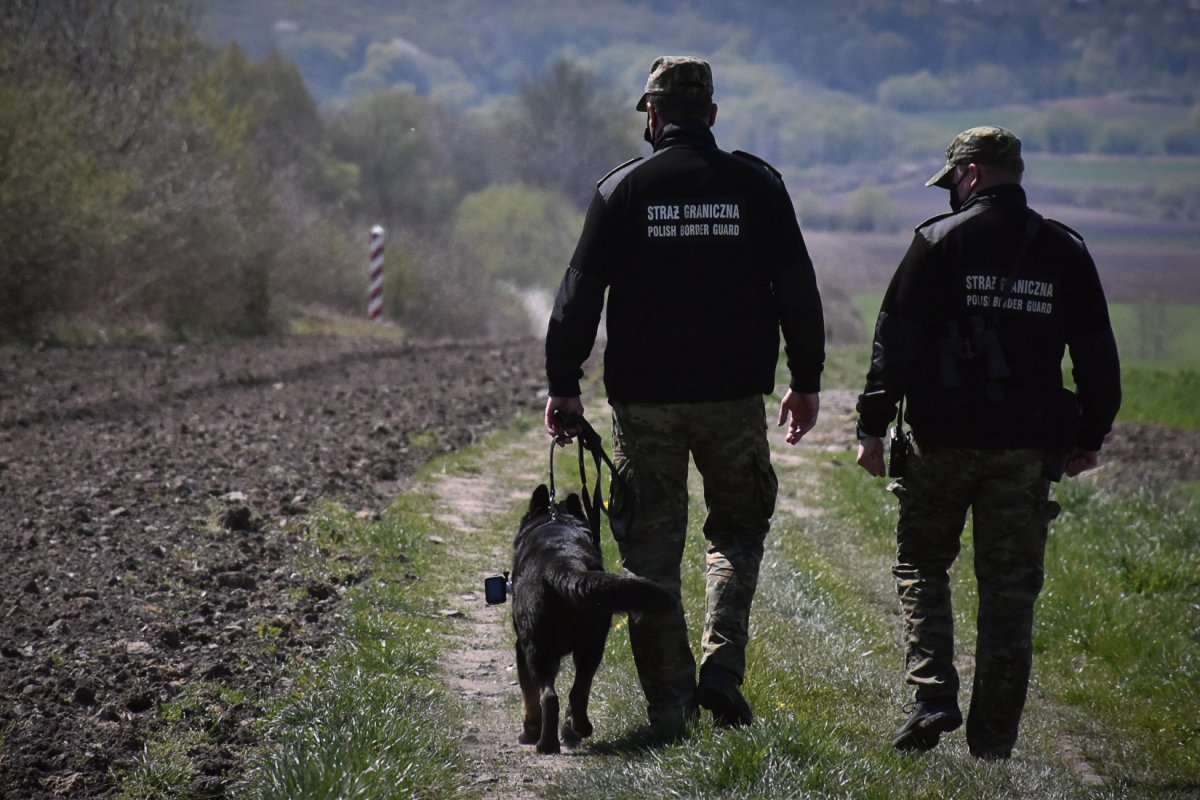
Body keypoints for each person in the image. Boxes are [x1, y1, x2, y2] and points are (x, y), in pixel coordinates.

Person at [543, 55, 825, 738]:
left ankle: (670, 711)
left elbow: (577, 299)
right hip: (732, 399)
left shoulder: (623, 190)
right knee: (736, 530)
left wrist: (563, 385)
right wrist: (806, 380)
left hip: (645, 405)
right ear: (713, 115)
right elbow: (797, 291)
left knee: (648, 554)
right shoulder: (757, 187)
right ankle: (722, 668)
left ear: (652, 116)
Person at [854, 126, 1121, 759]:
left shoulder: (937, 243)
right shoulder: (1065, 252)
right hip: (1026, 451)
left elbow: (895, 344)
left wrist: (871, 424)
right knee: (1009, 592)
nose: (951, 193)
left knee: (922, 565)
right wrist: (1091, 435)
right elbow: (1097, 359)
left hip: (940, 443)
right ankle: (994, 743)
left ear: (970, 174)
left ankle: (932, 694)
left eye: (953, 182)